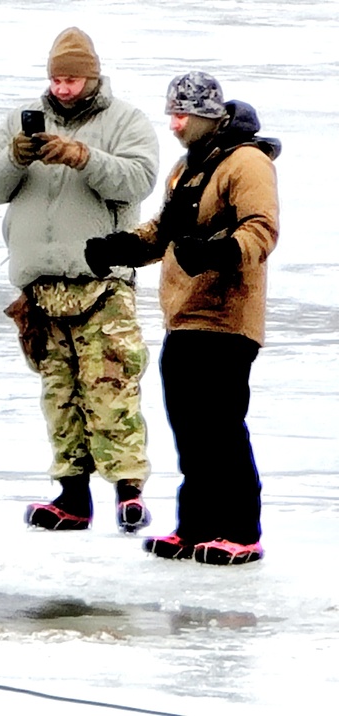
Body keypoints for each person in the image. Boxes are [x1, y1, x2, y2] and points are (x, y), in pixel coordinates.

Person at [84, 72, 280, 565]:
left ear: (207, 116)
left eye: (181, 115)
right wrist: (122, 246)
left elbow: (262, 229)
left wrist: (215, 254)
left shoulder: (247, 162)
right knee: (189, 427)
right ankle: (195, 527)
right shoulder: (187, 167)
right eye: (171, 113)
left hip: (227, 318)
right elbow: (164, 230)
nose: (173, 124)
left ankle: (240, 531)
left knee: (220, 426)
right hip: (184, 317)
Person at [0, 27, 160, 534]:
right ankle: (72, 497)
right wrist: (15, 156)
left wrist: (82, 157)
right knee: (59, 394)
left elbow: (139, 180)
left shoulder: (127, 121)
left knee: (112, 389)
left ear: (91, 77)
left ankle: (129, 493)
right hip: (40, 285)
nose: (62, 89)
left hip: (101, 284)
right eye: (56, 79)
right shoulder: (20, 120)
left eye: (72, 79)